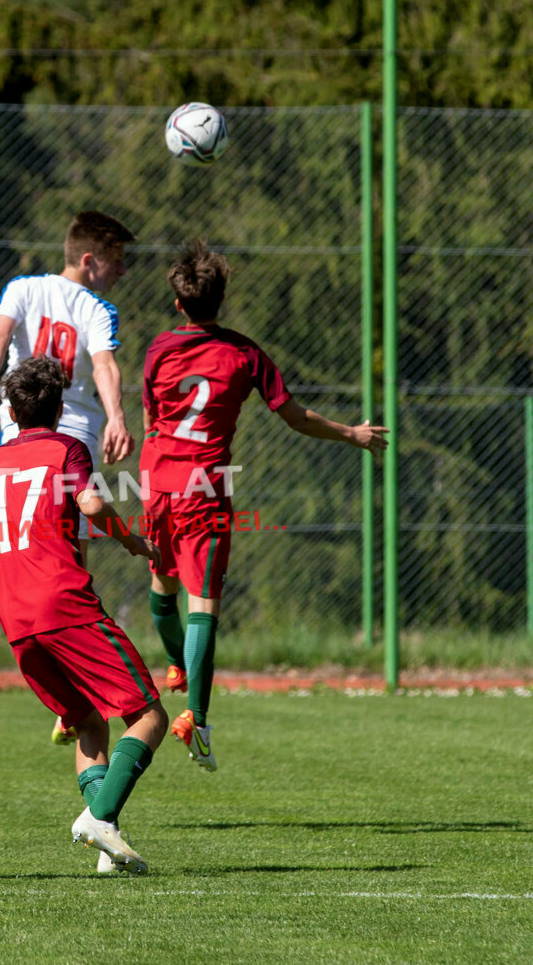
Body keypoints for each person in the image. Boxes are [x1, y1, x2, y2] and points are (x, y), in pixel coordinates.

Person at [141, 239, 389, 772]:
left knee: (161, 591)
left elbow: (150, 418)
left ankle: (174, 664)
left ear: (178, 303)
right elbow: (295, 417)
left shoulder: (158, 349)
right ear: (222, 298)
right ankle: (198, 721)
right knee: (203, 604)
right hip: (204, 487)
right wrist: (352, 433)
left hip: (156, 482)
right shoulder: (245, 354)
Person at [0, 356, 167, 875]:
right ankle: (100, 819)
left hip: (17, 620)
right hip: (64, 606)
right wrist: (131, 539)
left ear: (13, 413)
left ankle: (105, 842)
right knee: (148, 714)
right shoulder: (66, 448)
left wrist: (5, 574)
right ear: (61, 407)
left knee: (87, 721)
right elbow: (89, 506)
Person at [0, 209, 137, 746]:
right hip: (72, 432)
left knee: (18, 544)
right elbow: (105, 365)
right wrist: (115, 415)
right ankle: (76, 675)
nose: (121, 275)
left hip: (16, 430)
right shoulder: (95, 306)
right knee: (70, 551)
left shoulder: (21, 288)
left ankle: (58, 682)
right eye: (116, 265)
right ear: (90, 261)